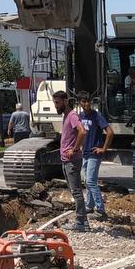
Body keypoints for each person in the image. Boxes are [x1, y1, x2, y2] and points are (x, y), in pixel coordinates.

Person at [56, 90, 88, 231]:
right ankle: (82, 221)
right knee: (74, 191)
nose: (55, 105)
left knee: (76, 192)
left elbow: (82, 132)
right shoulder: (66, 116)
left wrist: (74, 149)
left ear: (65, 101)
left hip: (72, 160)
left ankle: (81, 222)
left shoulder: (72, 115)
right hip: (66, 160)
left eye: (57, 102)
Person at [79, 93, 109, 221]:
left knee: (90, 181)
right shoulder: (80, 116)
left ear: (91, 102)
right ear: (79, 103)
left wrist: (103, 148)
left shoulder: (96, 115)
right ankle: (89, 206)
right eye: (83, 102)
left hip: (94, 153)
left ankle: (100, 210)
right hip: (85, 153)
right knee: (87, 181)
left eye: (87, 101)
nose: (85, 104)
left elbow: (110, 132)